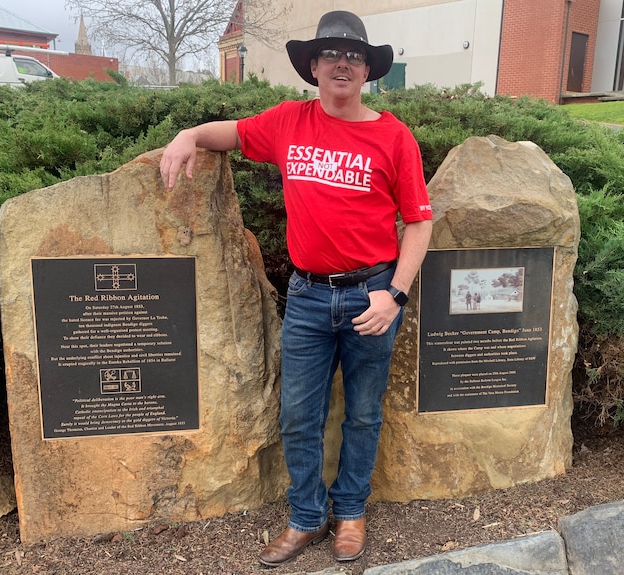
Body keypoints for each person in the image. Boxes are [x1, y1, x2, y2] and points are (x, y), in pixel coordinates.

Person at [159, 10, 433, 568]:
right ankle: (307, 518)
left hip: (372, 297)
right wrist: (187, 134)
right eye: (331, 54)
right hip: (308, 299)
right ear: (313, 66)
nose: (342, 64)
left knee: (362, 413)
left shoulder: (394, 136)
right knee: (297, 416)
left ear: (367, 70)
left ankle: (351, 514)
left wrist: (396, 294)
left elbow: (419, 221)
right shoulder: (289, 122)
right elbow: (230, 134)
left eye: (353, 56)